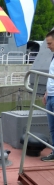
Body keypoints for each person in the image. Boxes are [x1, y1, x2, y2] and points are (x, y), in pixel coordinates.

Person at [41, 29, 54, 161]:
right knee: (52, 127)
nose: (47, 46)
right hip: (50, 96)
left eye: (49, 43)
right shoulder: (53, 56)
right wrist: (46, 92)